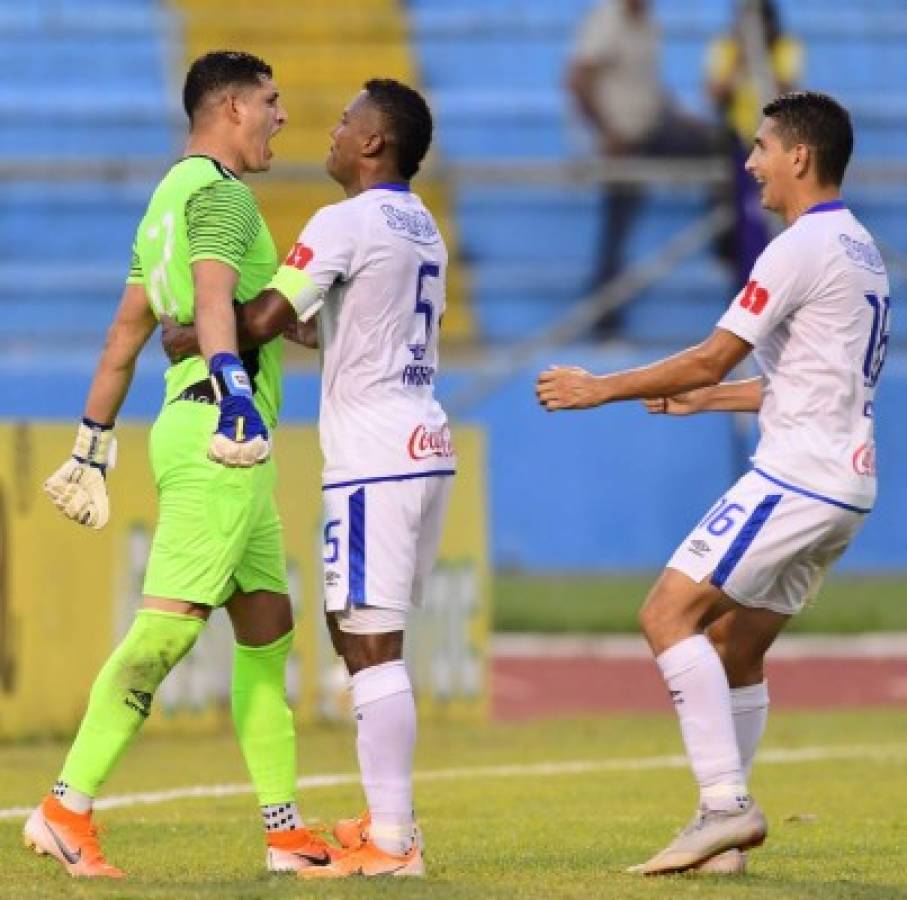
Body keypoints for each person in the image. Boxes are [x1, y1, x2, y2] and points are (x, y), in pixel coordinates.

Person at [537, 92, 887, 875]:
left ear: (800, 156)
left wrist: (600, 386)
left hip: (793, 476)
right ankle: (718, 838)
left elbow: (708, 354)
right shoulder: (861, 249)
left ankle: (726, 804)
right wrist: (708, 401)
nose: (749, 162)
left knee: (667, 614)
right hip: (846, 484)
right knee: (734, 649)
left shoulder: (796, 247)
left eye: (761, 146)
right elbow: (799, 383)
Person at [26, 50, 339, 878]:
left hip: (196, 423)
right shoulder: (223, 197)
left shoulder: (164, 202)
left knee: (268, 629)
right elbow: (209, 306)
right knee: (166, 631)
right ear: (232, 109)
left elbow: (126, 335)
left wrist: (92, 440)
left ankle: (284, 835)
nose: (280, 116)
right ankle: (66, 807)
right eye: (270, 101)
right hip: (221, 435)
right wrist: (238, 394)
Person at [162, 77, 453, 879]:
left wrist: (189, 335)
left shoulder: (344, 221)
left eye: (344, 122)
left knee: (367, 641)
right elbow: (336, 332)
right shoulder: (421, 226)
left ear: (372, 145)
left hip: (373, 455)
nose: (326, 132)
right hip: (424, 437)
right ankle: (392, 827)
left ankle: (393, 842)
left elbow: (257, 321)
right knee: (370, 636)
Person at [567, 0, 715, 337]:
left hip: (651, 129)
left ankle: (730, 244)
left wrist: (679, 118)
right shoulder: (608, 19)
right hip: (621, 142)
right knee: (618, 224)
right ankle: (604, 319)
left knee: (718, 149)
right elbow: (578, 79)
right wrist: (607, 134)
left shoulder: (648, 22)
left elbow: (645, 85)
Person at [706, 0, 803, 287]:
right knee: (738, 224)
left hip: (776, 147)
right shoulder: (727, 49)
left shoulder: (784, 48)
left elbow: (787, 91)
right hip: (737, 143)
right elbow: (715, 93)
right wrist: (740, 60)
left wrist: (761, 56)